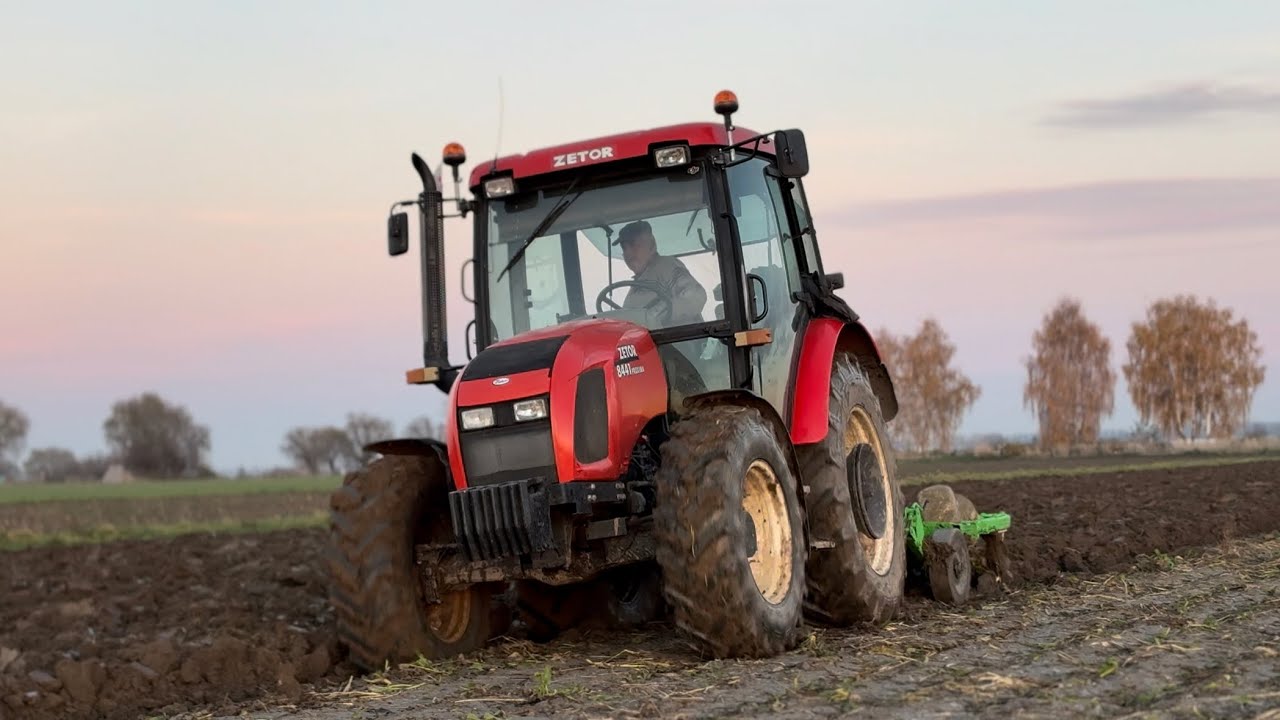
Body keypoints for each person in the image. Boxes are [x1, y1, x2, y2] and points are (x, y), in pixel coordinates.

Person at [614, 220, 707, 327]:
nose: (628, 253)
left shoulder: (667, 266)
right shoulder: (638, 283)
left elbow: (696, 296)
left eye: (634, 244)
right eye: (624, 248)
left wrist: (659, 312)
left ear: (652, 244)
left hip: (676, 341)